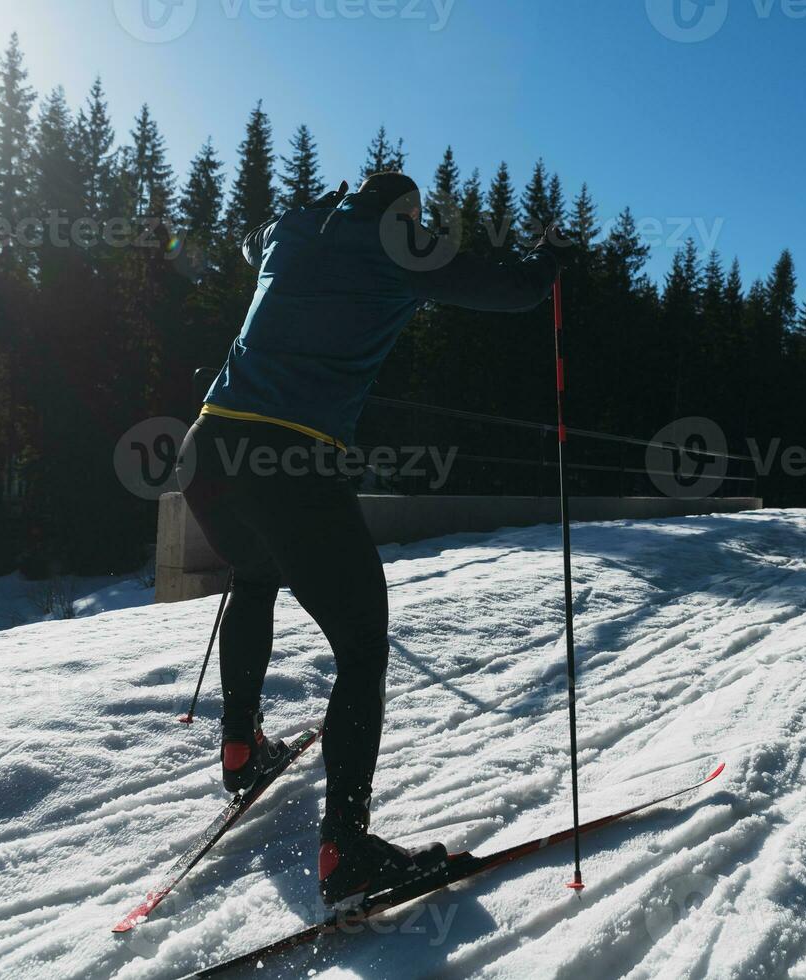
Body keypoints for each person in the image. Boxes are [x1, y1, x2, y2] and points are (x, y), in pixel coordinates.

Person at [178, 171, 567, 907]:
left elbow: (246, 240)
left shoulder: (291, 226)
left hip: (207, 447)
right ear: (405, 211)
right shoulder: (400, 242)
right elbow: (512, 290)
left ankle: (240, 749)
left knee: (255, 575)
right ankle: (346, 851)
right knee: (361, 646)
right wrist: (550, 256)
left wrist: (306, 222)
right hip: (289, 458)